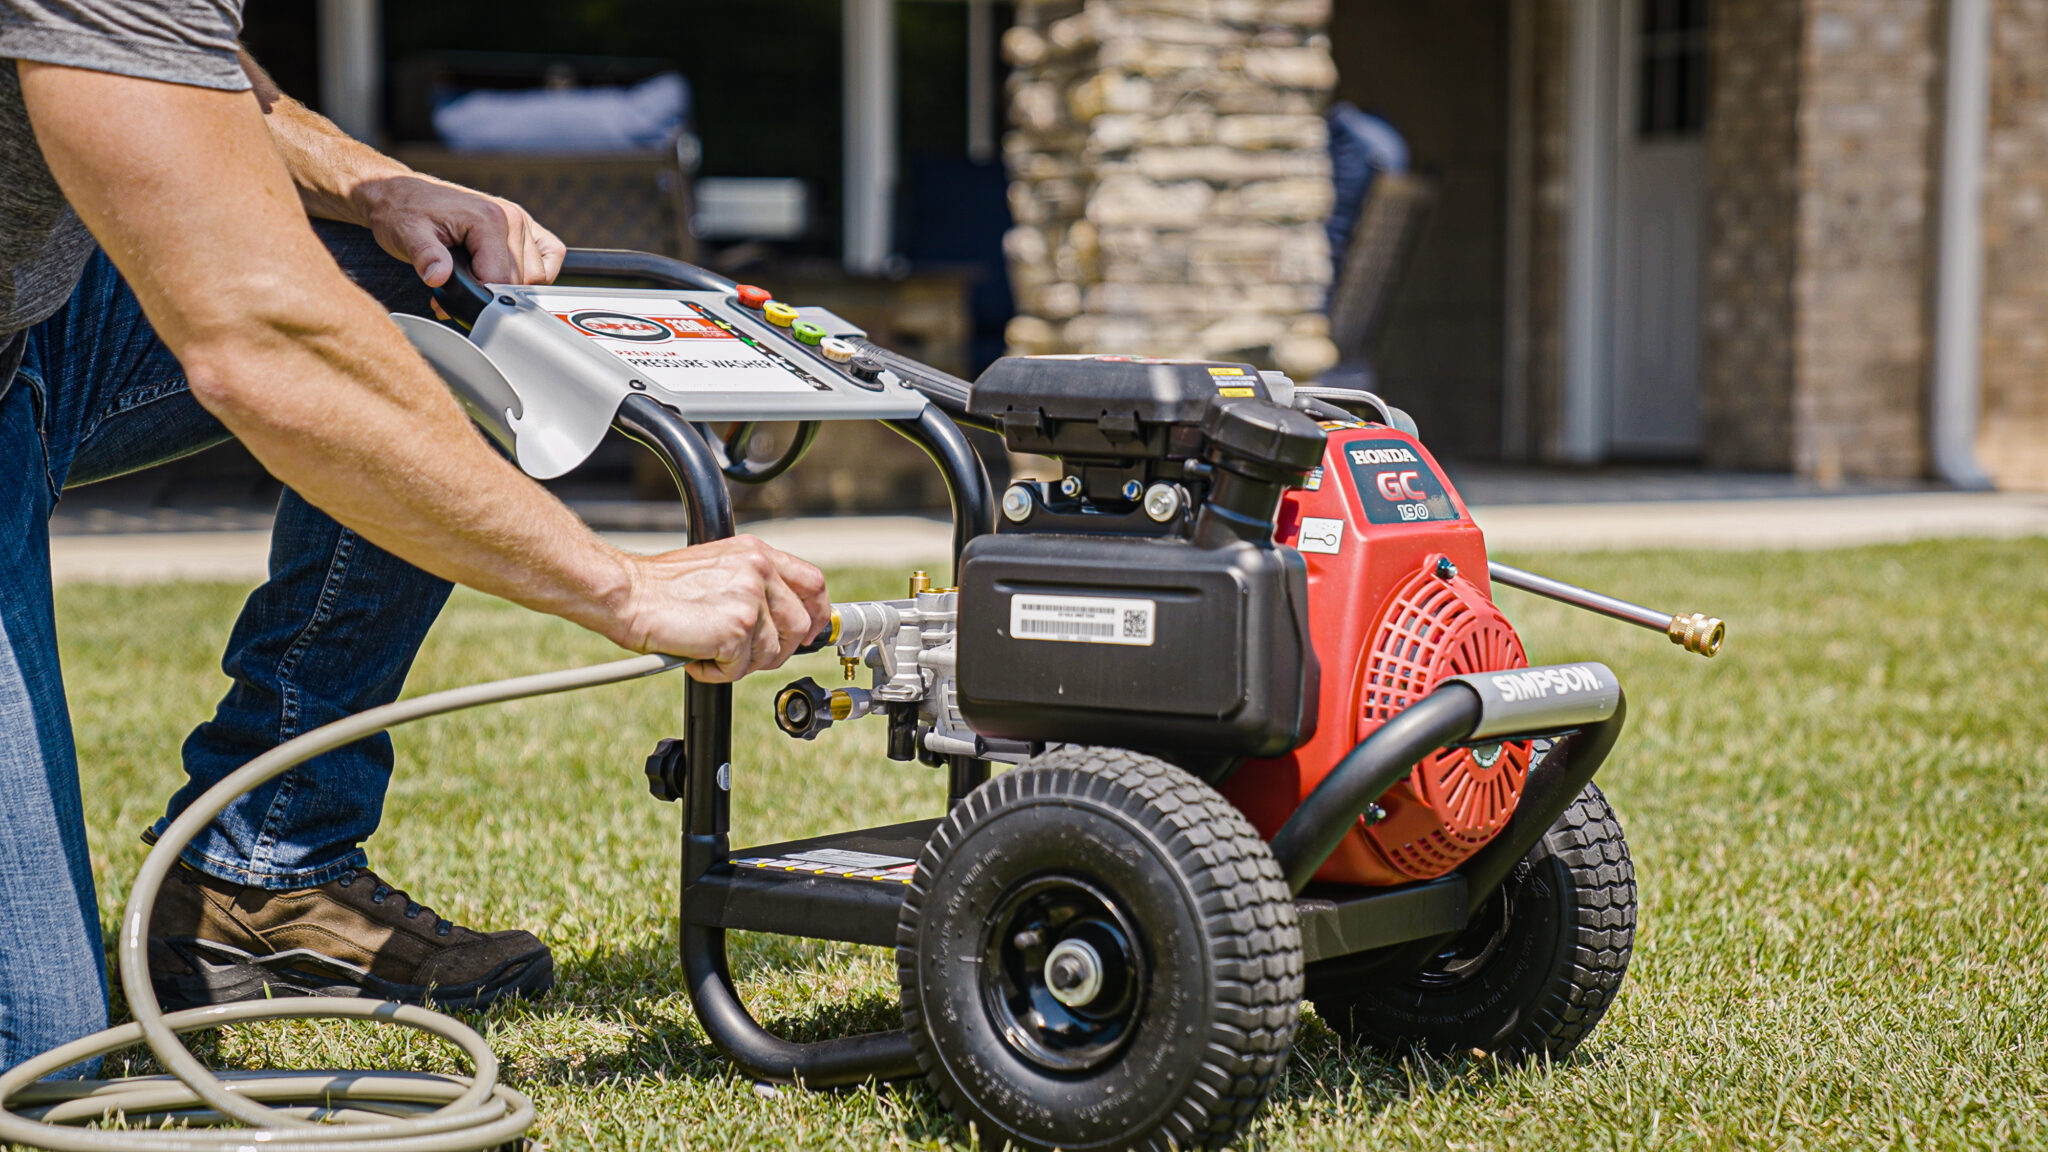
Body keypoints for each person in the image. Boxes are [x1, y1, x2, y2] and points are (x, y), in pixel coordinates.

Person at [0, 2, 830, 1073]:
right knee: (43, 1057)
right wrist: (621, 587)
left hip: (32, 341)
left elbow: (192, 70)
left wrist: (373, 186)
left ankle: (263, 868)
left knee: (425, 281)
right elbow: (262, 343)